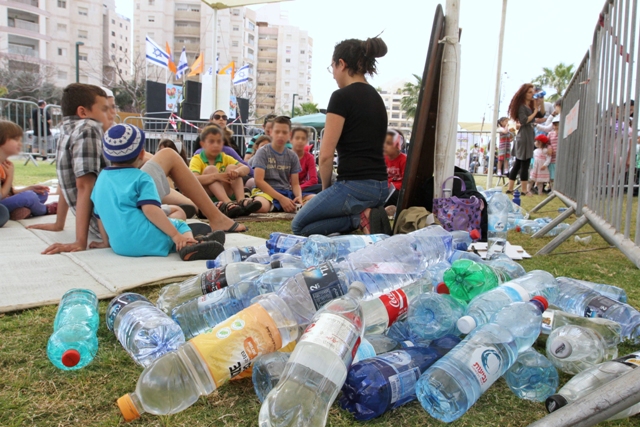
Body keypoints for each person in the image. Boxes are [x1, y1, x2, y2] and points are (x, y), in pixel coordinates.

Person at [30, 84, 247, 253]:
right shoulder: (88, 129)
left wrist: (60, 224)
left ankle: (187, 215)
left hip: (109, 215)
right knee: (170, 155)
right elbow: (84, 185)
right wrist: (80, 241)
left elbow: (65, 181)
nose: (111, 114)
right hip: (115, 213)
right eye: (105, 109)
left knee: (184, 203)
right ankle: (212, 217)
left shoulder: (65, 130)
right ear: (83, 111)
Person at [292, 36, 391, 236]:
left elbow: (326, 155)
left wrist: (327, 191)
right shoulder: (377, 98)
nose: (333, 75)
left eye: (333, 68)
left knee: (299, 226)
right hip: (381, 187)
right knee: (315, 220)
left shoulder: (341, 97)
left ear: (342, 64)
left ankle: (359, 217)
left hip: (355, 185)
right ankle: (365, 214)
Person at [92, 124, 224, 261]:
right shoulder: (141, 177)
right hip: (146, 239)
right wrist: (175, 235)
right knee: (179, 225)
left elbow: (99, 214)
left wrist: (106, 242)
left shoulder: (101, 179)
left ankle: (200, 240)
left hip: (120, 246)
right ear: (142, 154)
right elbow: (150, 209)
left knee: (165, 227)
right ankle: (189, 244)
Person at [189, 125, 260, 218]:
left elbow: (246, 168)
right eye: (211, 141)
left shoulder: (225, 157)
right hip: (207, 195)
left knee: (232, 167)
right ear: (203, 144)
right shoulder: (197, 158)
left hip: (227, 191)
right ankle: (228, 203)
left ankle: (241, 201)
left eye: (218, 142)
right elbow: (192, 179)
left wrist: (237, 172)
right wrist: (216, 176)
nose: (215, 145)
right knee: (211, 169)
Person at [251, 116, 314, 213]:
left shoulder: (292, 155)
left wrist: (298, 197)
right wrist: (281, 199)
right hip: (266, 192)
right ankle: (249, 203)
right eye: (277, 132)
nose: (280, 135)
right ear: (271, 132)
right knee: (260, 206)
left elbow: (295, 184)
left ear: (289, 135)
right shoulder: (262, 152)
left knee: (315, 199)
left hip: (286, 191)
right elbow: (259, 181)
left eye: (284, 132)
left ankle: (286, 205)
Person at [0, 120, 55, 220]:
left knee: (41, 194)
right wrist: (10, 176)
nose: (20, 144)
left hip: (4, 200)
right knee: (29, 197)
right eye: (16, 140)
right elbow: (1, 195)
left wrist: (30, 188)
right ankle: (45, 210)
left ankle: (16, 211)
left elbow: (9, 192)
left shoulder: (4, 163)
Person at [507, 83, 541, 195]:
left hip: (527, 135)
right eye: (529, 92)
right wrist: (535, 112)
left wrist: (537, 106)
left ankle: (510, 188)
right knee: (524, 164)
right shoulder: (522, 107)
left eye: (532, 92)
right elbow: (524, 120)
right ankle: (524, 190)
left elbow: (542, 114)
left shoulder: (528, 106)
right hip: (524, 136)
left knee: (518, 163)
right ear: (524, 93)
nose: (532, 94)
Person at [291, 127, 321, 194]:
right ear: (291, 140)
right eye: (297, 138)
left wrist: (298, 188)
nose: (300, 141)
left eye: (303, 139)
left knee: (323, 187)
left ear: (307, 141)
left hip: (302, 187)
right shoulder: (284, 155)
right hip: (285, 188)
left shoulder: (309, 157)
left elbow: (313, 180)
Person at [383, 129, 406, 217]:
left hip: (396, 190)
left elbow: (405, 180)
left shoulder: (404, 159)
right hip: (385, 187)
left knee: (394, 196)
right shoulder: (383, 158)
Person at [547, 116, 560, 191]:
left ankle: (557, 189)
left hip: (560, 158)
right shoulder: (550, 134)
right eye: (554, 125)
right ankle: (552, 189)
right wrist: (549, 147)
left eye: (557, 124)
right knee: (551, 175)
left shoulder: (563, 134)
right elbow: (547, 143)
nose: (555, 126)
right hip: (552, 158)